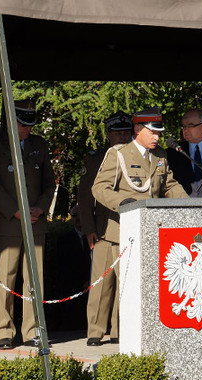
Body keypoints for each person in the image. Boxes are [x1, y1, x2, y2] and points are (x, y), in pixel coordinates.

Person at [92, 107, 188, 338]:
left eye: (158, 133)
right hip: (121, 230)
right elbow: (99, 187)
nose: (157, 137)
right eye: (152, 132)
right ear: (137, 129)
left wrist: (188, 204)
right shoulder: (119, 154)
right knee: (114, 288)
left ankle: (125, 332)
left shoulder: (160, 156)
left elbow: (169, 185)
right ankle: (102, 333)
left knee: (138, 288)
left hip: (150, 231)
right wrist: (123, 202)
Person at [0, 99, 55, 350]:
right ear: (11, 122)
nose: (28, 130)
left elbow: (49, 183)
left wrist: (40, 208)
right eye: (23, 124)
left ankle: (34, 330)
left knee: (35, 279)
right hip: (7, 223)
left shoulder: (39, 145)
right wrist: (16, 211)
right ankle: (3, 331)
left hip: (35, 222)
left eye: (30, 125)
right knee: (5, 278)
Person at [78, 111, 132, 346]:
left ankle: (120, 330)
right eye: (117, 132)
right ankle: (95, 331)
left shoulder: (138, 155)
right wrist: (88, 227)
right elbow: (85, 196)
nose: (121, 136)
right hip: (101, 228)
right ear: (108, 134)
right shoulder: (95, 158)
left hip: (128, 227)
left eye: (125, 131)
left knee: (126, 283)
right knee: (101, 283)